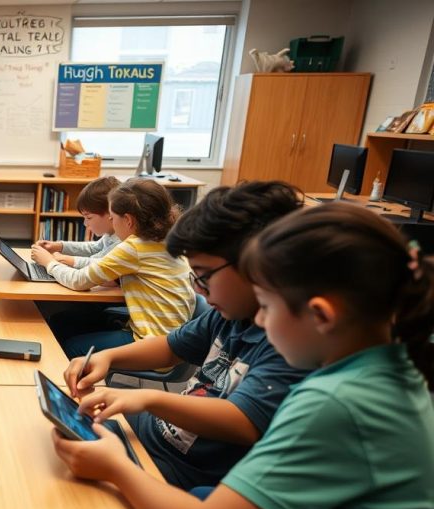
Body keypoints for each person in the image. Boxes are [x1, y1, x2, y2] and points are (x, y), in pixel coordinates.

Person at [52, 203, 434, 509]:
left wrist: (117, 467)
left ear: (321, 316)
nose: (262, 320)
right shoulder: (393, 373)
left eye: (266, 305)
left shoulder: (335, 404)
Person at [64, 181, 308, 489]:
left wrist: (147, 399)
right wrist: (107, 357)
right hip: (160, 435)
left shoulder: (289, 345)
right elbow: (169, 347)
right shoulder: (228, 316)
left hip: (181, 468)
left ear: (257, 267)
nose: (196, 289)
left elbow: (243, 421)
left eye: (204, 277)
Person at [32, 178, 194, 357]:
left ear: (128, 220)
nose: (111, 221)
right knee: (65, 322)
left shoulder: (135, 247)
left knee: (71, 346)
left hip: (153, 344)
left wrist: (48, 262)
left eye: (112, 216)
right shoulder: (167, 239)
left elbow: (78, 281)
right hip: (175, 339)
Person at [34, 175, 122, 282]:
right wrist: (59, 246)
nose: (85, 223)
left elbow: (101, 264)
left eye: (89, 217)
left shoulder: (122, 242)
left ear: (111, 214)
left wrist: (66, 260)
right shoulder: (112, 234)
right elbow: (94, 248)